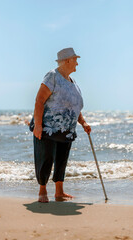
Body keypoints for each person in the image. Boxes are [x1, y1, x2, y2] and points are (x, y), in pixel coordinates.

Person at [33, 47, 91, 203]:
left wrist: (83, 122)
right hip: (49, 127)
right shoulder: (52, 76)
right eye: (75, 60)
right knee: (46, 158)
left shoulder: (73, 83)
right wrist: (38, 125)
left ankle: (59, 192)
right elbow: (39, 100)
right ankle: (42, 191)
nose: (77, 64)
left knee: (61, 160)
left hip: (67, 129)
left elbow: (74, 107)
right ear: (67, 61)